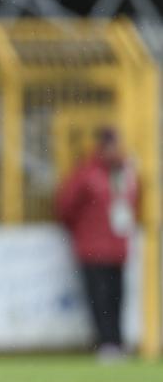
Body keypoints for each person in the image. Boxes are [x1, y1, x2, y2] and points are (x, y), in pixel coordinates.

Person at [55, 126, 140, 360]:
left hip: (118, 248)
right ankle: (106, 344)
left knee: (117, 297)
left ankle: (117, 342)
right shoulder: (86, 173)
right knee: (100, 299)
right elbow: (65, 207)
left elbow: (135, 203)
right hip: (92, 249)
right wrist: (84, 232)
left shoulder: (125, 173)